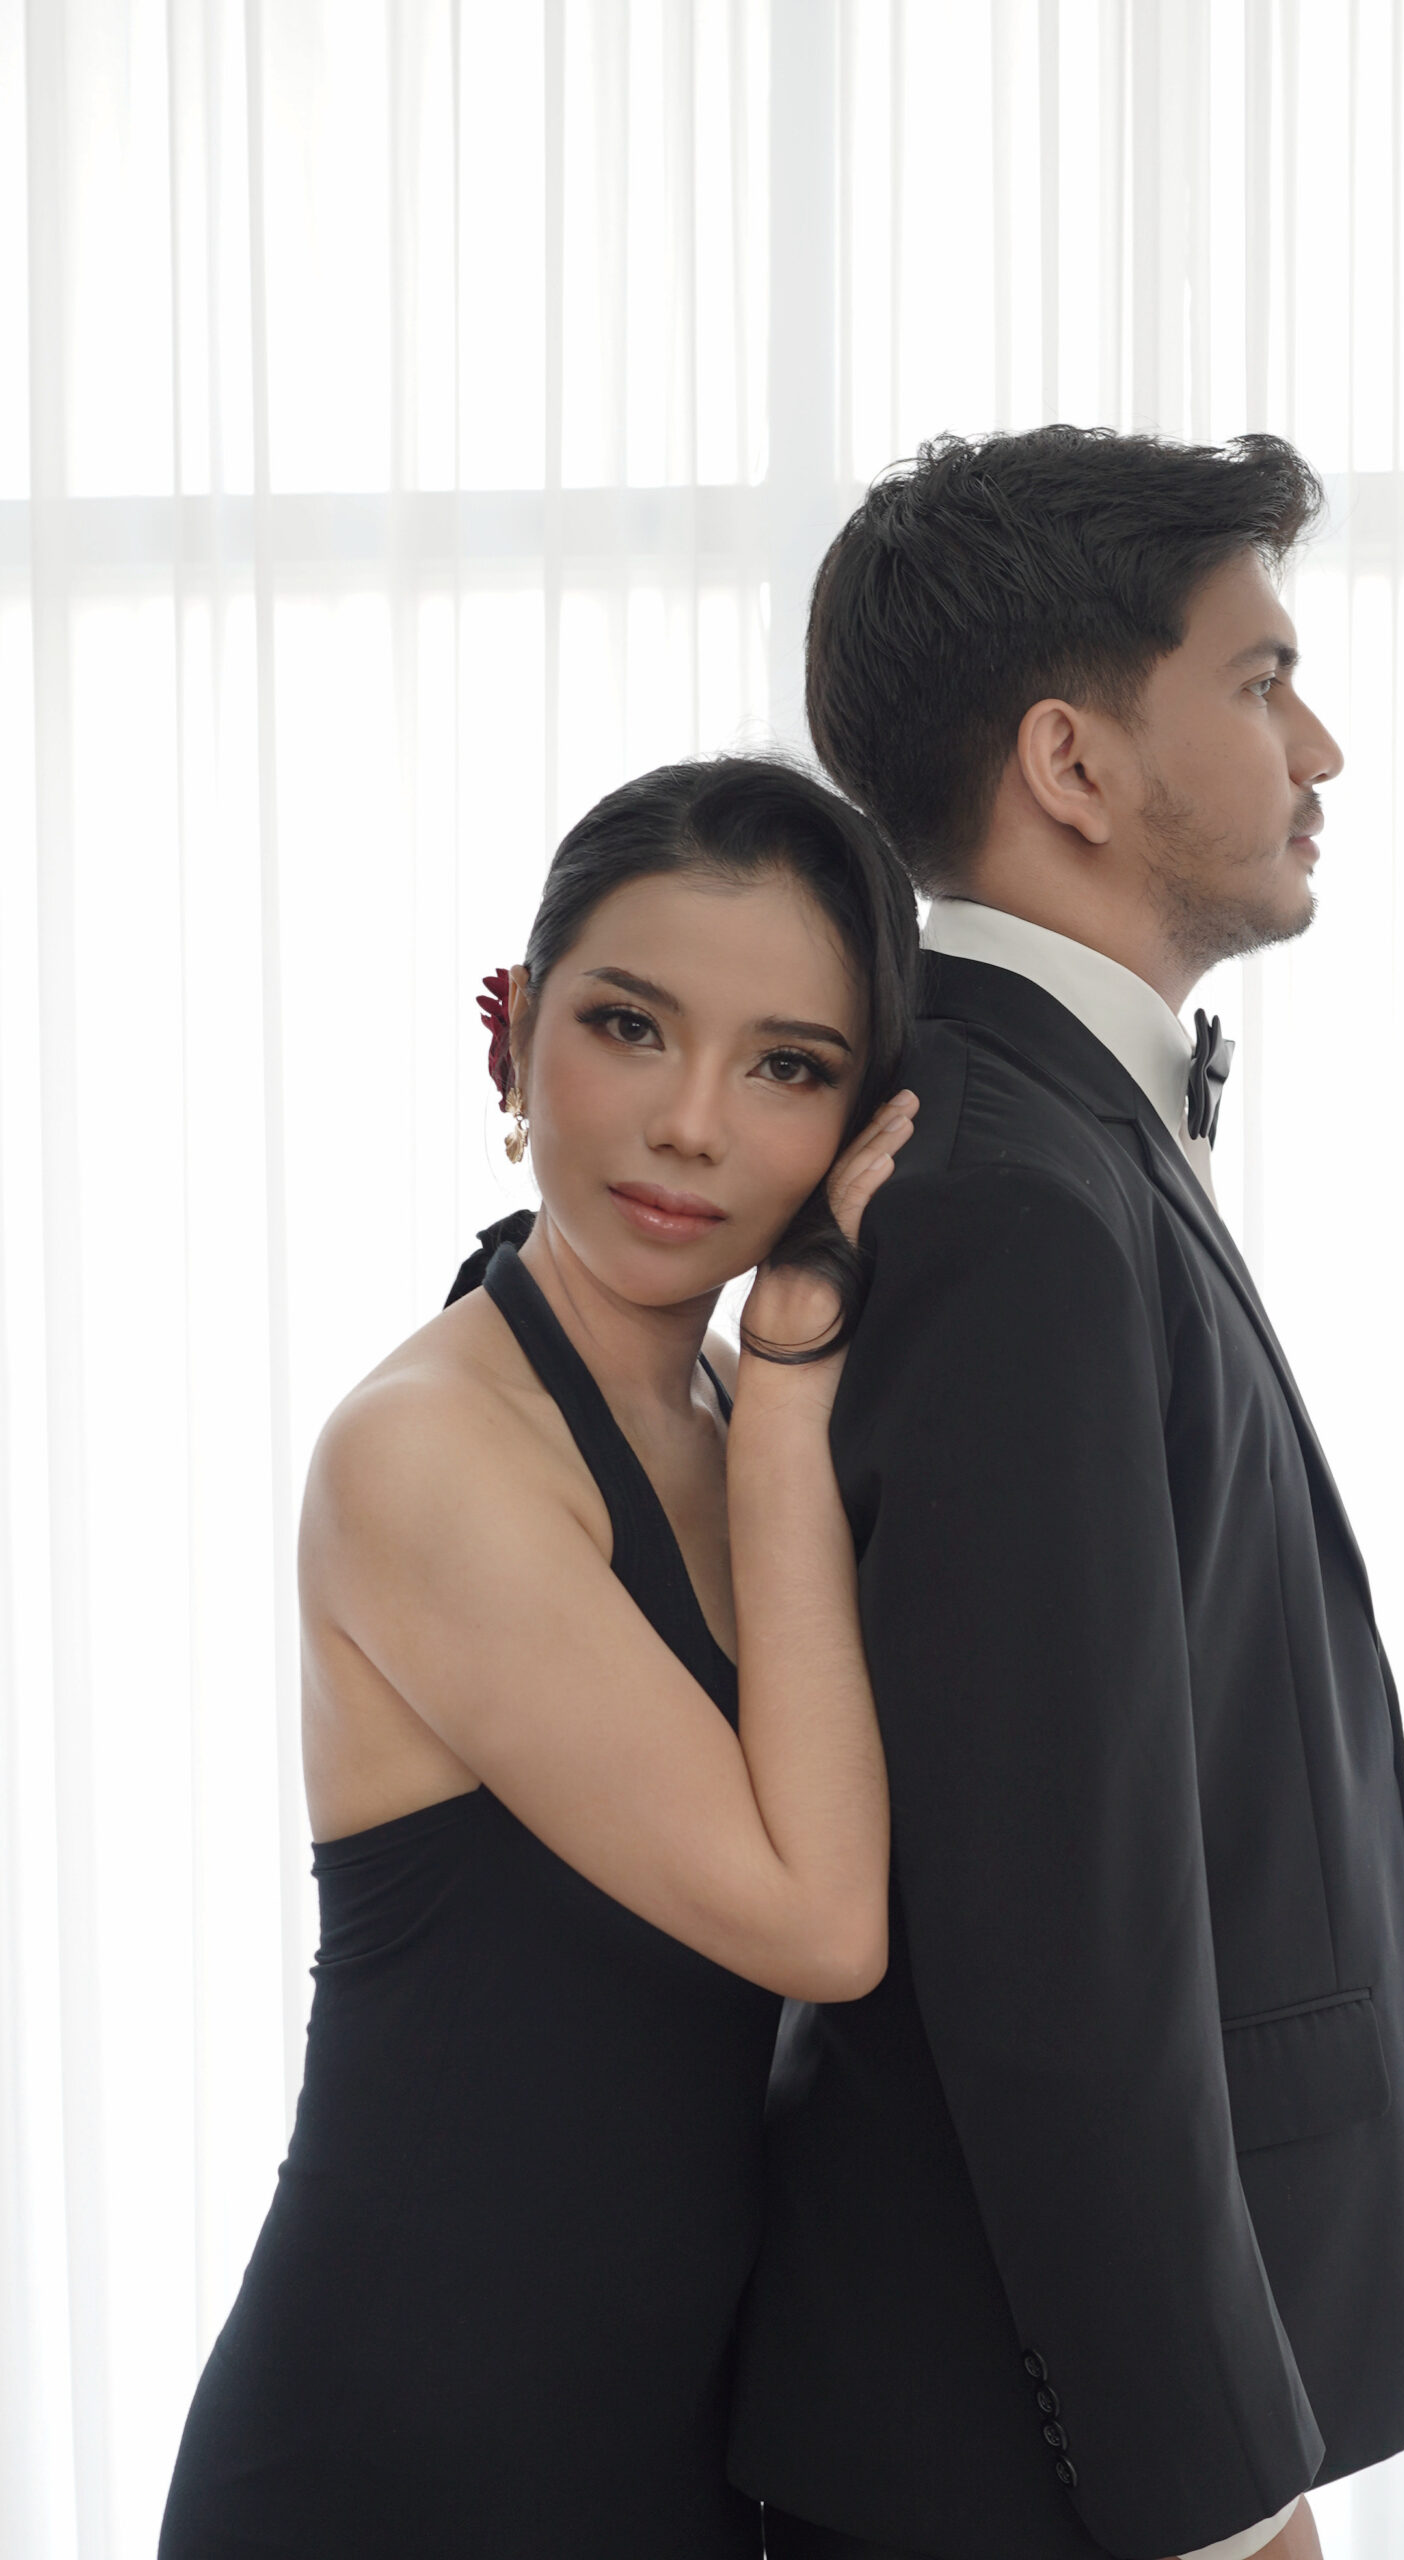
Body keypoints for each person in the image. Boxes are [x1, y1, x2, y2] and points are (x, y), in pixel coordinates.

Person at [734, 428, 1404, 2560]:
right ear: (1070, 763)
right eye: (1260, 681)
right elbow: (1054, 1932)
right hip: (1031, 2462)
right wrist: (1218, 2501)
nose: (1317, 746)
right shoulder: (1003, 1194)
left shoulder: (1039, 1131)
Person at [158, 756, 920, 2559]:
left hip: (665, 2457)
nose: (692, 1125)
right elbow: (823, 1927)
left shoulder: (715, 1407)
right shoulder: (428, 1452)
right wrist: (795, 1390)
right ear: (511, 1047)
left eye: (787, 1066)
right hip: (394, 2466)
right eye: (630, 1028)